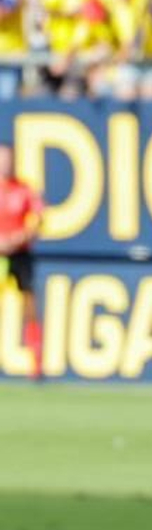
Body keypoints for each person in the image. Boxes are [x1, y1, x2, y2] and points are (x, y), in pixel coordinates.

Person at [0, 142, 44, 380]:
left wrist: (18, 238)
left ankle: (36, 365)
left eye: (7, 159)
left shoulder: (24, 190)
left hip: (19, 254)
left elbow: (37, 221)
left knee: (29, 307)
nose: (4, 164)